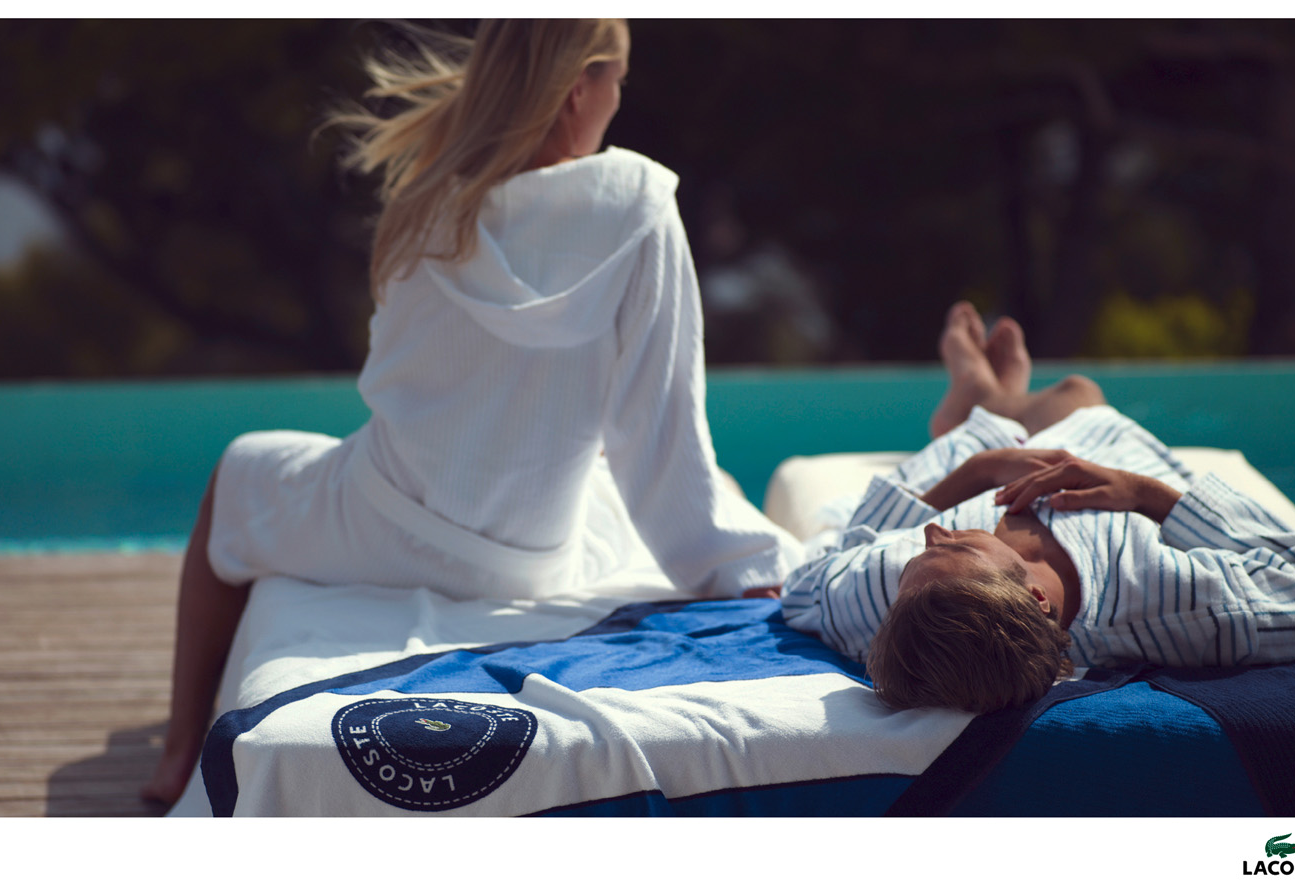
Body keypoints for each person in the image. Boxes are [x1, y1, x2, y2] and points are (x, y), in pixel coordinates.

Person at [142, 20, 803, 805]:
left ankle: (177, 750)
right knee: (685, 483)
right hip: (528, 554)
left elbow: (391, 378)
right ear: (577, 90)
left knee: (239, 470)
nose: (618, 100)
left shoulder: (428, 200)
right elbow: (657, 435)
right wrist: (737, 569)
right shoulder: (637, 208)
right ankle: (178, 745)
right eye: (617, 81)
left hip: (379, 523)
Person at [781, 302, 1295, 715]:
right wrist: (1145, 494)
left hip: (968, 466)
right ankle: (986, 400)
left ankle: (977, 407)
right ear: (1035, 598)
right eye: (959, 546)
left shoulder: (896, 599)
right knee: (1076, 391)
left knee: (1036, 409)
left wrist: (976, 471)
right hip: (1107, 464)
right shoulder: (1173, 600)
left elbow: (804, 588)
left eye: (917, 556)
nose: (931, 532)